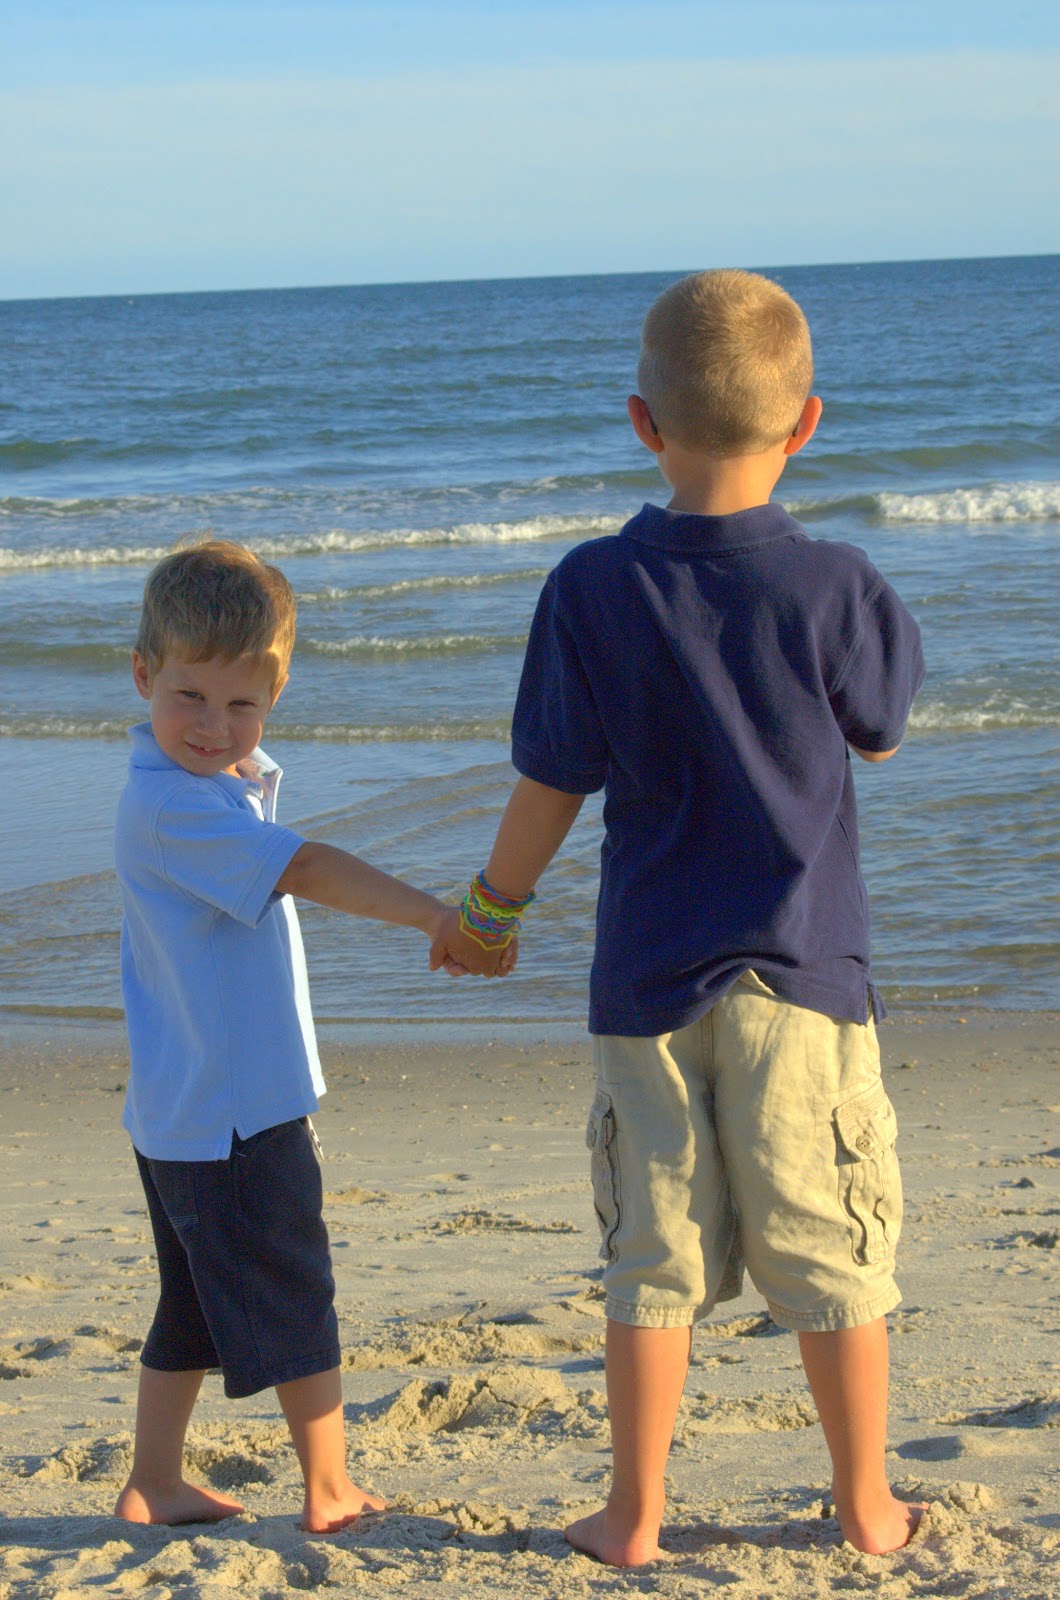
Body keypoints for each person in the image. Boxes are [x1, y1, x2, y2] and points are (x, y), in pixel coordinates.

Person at [438, 270, 927, 1565]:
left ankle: (635, 1513)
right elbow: (879, 733)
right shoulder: (834, 582)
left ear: (643, 424)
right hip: (804, 980)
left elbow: (552, 782)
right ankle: (866, 1504)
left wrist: (490, 911)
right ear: (806, 422)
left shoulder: (591, 587)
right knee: (832, 1249)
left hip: (647, 987)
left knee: (651, 1262)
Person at [113, 538, 502, 1533]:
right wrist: (436, 916)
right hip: (235, 1111)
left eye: (241, 704)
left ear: (275, 698)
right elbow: (306, 866)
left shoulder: (197, 782)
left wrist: (238, 755)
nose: (214, 725)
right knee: (295, 1287)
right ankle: (327, 1487)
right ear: (143, 675)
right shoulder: (174, 807)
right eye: (191, 697)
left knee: (192, 1306)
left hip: (181, 1106)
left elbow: (254, 809)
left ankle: (154, 1479)